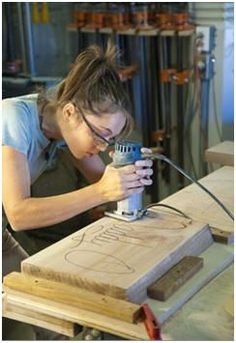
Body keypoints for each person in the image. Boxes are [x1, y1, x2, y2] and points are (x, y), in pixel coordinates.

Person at [2, 42, 153, 339]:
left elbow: (101, 178)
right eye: (100, 135)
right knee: (36, 311)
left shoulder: (62, 123)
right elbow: (19, 214)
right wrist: (103, 191)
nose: (101, 146)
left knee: (49, 313)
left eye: (109, 139)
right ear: (70, 112)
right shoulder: (14, 120)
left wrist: (129, 170)